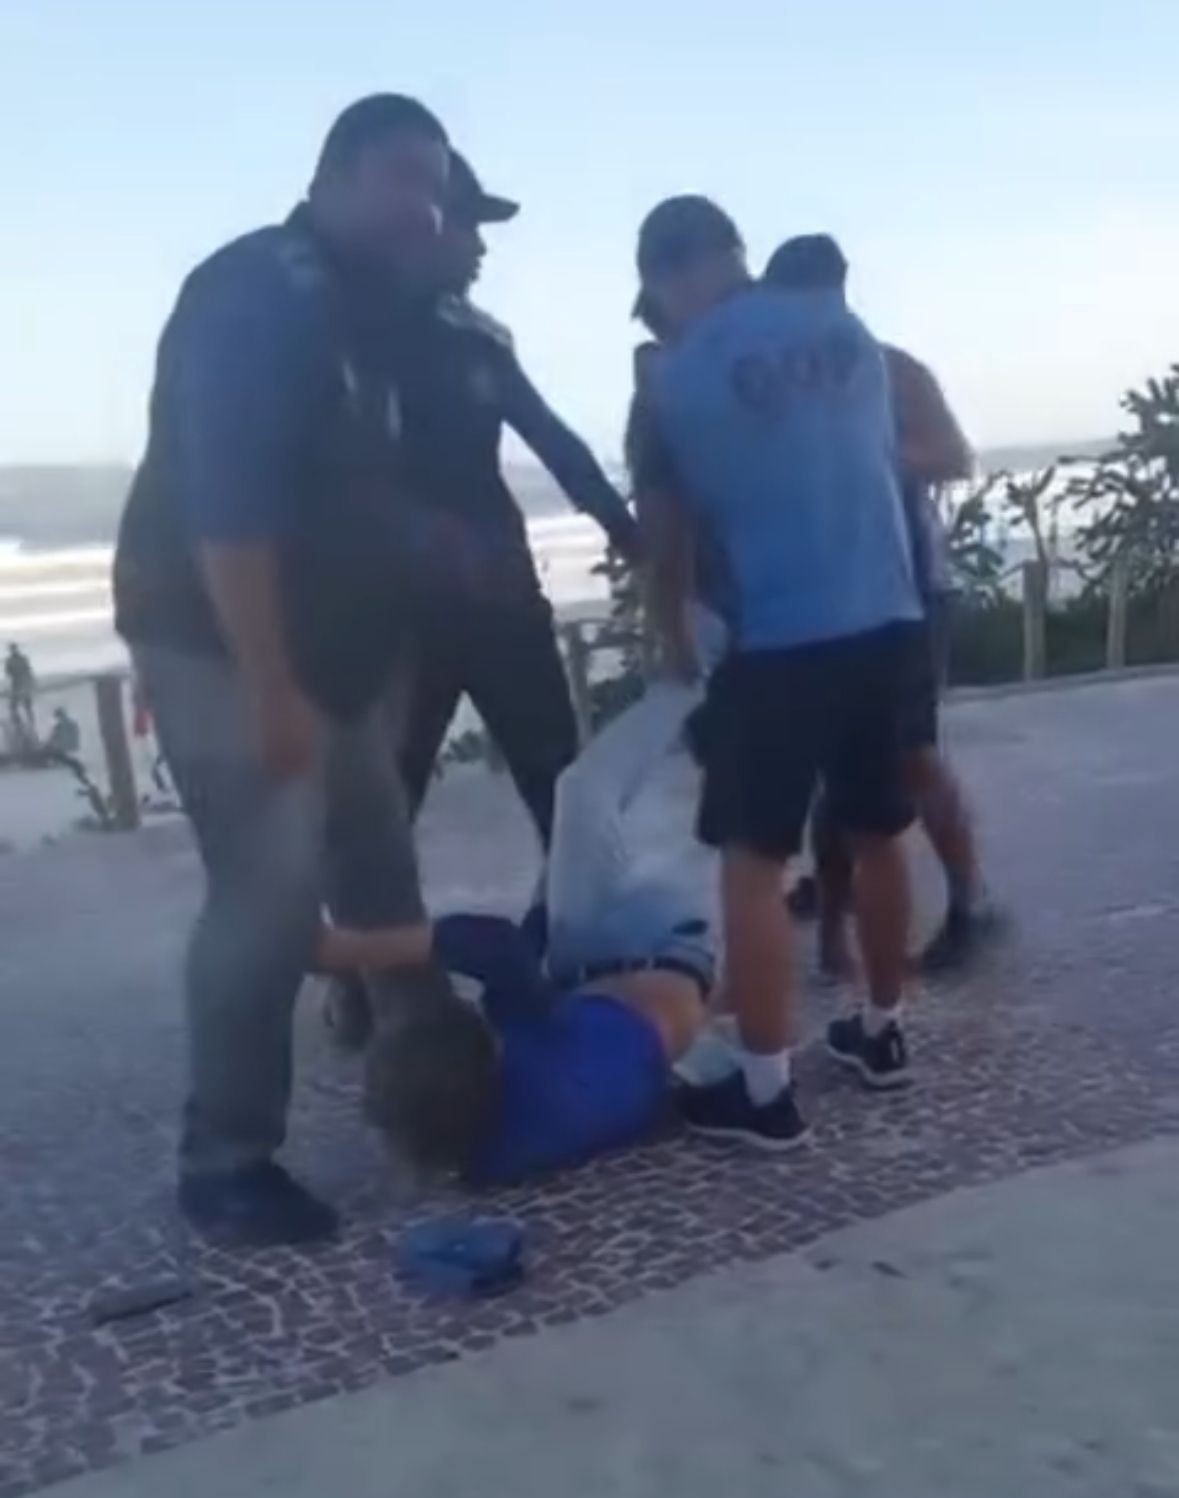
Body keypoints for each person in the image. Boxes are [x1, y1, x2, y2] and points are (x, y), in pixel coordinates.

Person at [113, 95, 494, 1246]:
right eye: (403, 176)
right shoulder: (260, 292)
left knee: (379, 861)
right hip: (225, 642)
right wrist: (270, 685)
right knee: (268, 897)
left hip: (338, 655)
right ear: (333, 177)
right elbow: (230, 507)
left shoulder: (361, 309)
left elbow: (347, 487)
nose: (425, 206)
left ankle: (435, 1104)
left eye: (436, 185)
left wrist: (427, 544)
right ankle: (225, 1161)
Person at [632, 196, 926, 1149]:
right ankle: (882, 1033)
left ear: (670, 279)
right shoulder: (845, 330)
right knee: (878, 832)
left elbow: (667, 535)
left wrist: (671, 637)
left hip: (774, 642)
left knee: (752, 863)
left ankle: (764, 1093)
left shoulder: (674, 378)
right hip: (885, 614)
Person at [321, 672, 717, 1184]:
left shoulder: (489, 1163)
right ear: (495, 1058)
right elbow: (500, 948)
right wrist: (351, 948)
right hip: (657, 946)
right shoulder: (528, 1051)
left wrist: (544, 903)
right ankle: (692, 682)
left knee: (584, 859)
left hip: (629, 993)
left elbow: (529, 957)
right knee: (582, 795)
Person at [764, 234, 998, 976]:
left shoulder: (889, 369)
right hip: (825, 597)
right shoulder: (779, 383)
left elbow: (953, 456)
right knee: (836, 758)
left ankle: (970, 902)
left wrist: (864, 454)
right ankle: (834, 921)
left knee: (912, 754)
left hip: (909, 589)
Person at [393, 150, 640, 844]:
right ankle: (370, 921)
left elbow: (555, 442)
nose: (480, 248)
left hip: (500, 597)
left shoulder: (482, 339)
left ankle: (574, 908)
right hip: (397, 614)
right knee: (384, 802)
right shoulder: (349, 333)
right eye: (467, 227)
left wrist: (630, 536)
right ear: (422, 228)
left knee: (559, 783)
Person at [5, 643, 35, 734]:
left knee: (26, 706)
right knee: (13, 706)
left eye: (13, 649)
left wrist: (30, 683)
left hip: (22, 684)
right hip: (16, 684)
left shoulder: (21, 659)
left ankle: (30, 723)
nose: (12, 651)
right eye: (11, 649)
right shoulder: (10, 660)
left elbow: (28, 670)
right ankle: (18, 723)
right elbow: (8, 673)